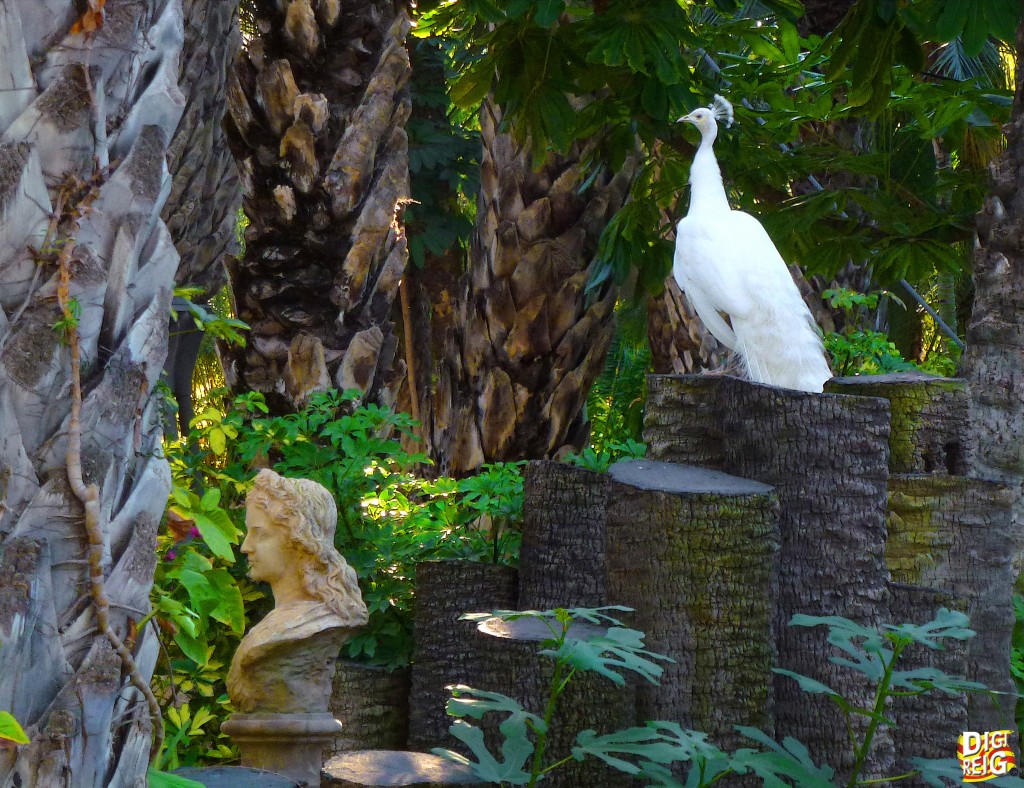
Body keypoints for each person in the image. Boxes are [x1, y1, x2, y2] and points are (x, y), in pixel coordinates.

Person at [226, 469, 368, 714]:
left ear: (297, 541)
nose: (245, 547)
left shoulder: (315, 625)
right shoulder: (276, 625)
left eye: (259, 533)